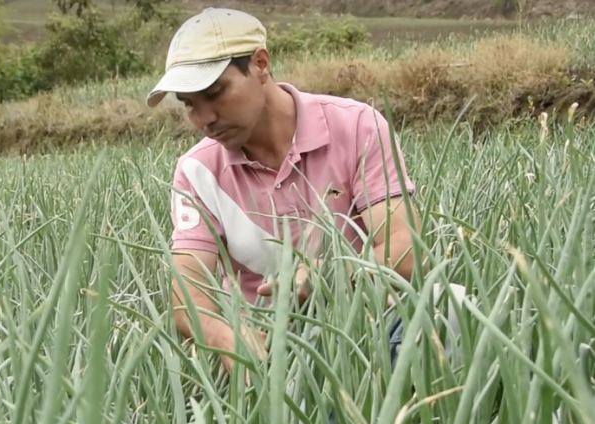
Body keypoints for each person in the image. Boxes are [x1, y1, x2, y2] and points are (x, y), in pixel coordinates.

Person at [146, 7, 467, 376]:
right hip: (272, 347)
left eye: (215, 93)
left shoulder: (356, 126)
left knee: (453, 306)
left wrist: (331, 275)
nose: (203, 120)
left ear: (261, 64)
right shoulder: (197, 171)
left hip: (369, 324)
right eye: (189, 105)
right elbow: (188, 294)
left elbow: (408, 248)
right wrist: (226, 338)